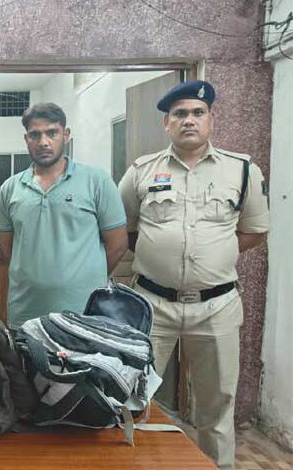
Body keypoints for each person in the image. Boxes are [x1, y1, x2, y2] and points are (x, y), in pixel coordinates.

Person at [118, 80, 269, 470]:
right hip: (152, 305)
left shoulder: (243, 170)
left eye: (198, 113)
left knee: (217, 407)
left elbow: (254, 231)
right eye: (180, 114)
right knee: (132, 397)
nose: (189, 120)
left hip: (216, 306)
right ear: (166, 123)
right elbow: (124, 230)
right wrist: (162, 255)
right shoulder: (141, 171)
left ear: (211, 120)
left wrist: (211, 258)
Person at [0, 102, 128, 329]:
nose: (43, 142)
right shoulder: (10, 189)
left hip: (84, 315)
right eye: (35, 135)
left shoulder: (96, 181)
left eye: (52, 133)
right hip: (26, 315)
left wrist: (83, 278)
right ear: (26, 139)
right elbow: (8, 252)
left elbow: (118, 245)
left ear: (65, 135)